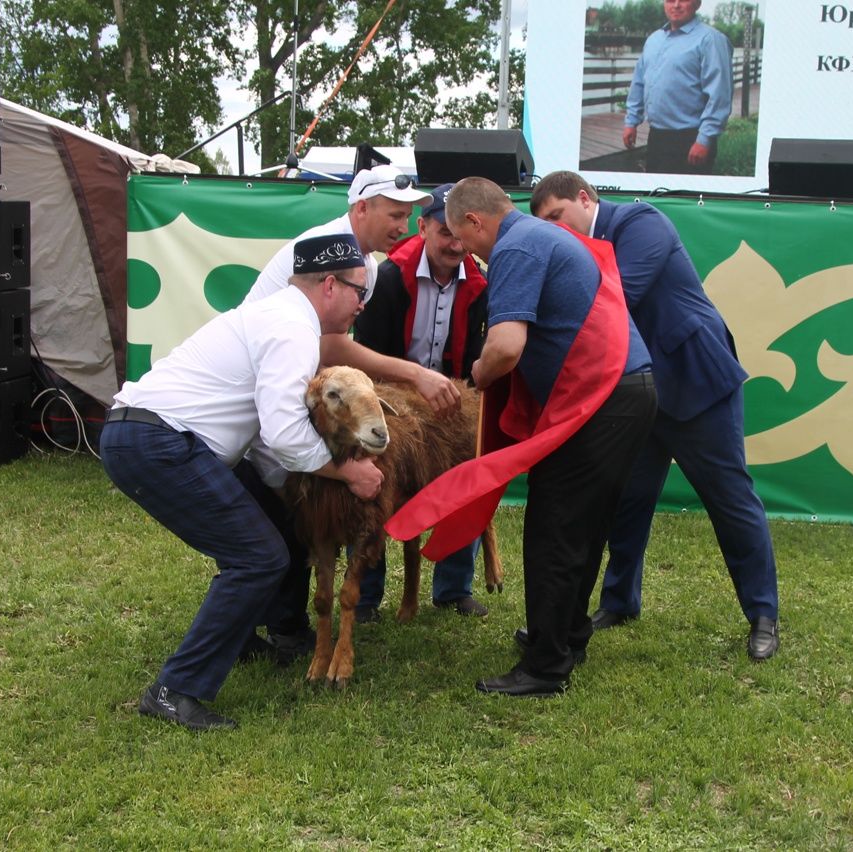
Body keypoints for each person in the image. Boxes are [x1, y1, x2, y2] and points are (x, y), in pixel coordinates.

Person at [101, 235, 385, 730]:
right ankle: (176, 690)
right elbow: (283, 433)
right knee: (259, 556)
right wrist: (348, 472)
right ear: (331, 285)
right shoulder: (292, 329)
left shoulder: (278, 317)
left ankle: (248, 637)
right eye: (361, 291)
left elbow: (263, 444)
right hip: (158, 443)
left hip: (153, 436)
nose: (364, 303)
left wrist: (289, 493)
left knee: (276, 526)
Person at [529, 170, 780, 661]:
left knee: (730, 500)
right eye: (545, 225)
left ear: (584, 198)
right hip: (638, 396)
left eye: (558, 216)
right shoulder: (579, 248)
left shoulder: (642, 221)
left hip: (698, 385)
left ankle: (763, 616)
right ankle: (621, 602)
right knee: (626, 502)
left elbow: (615, 298)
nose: (556, 229)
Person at [444, 177, 657, 697]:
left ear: (476, 221)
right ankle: (562, 635)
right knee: (581, 527)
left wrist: (476, 374)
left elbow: (506, 347)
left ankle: (544, 666)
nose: (463, 251)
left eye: (462, 238)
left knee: (554, 528)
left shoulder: (515, 247)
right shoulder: (542, 236)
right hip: (627, 392)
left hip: (603, 396)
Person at [239, 166, 460, 653]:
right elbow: (332, 345)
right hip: (268, 401)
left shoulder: (367, 264)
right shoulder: (329, 250)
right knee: (287, 516)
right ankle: (276, 626)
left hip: (298, 397)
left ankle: (284, 623)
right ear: (361, 207)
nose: (402, 225)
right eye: (394, 214)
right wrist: (414, 373)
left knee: (298, 515)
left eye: (407, 216)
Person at [350, 183, 491, 621]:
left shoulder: (483, 286)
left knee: (464, 481)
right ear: (423, 226)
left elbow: (474, 364)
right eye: (444, 232)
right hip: (389, 402)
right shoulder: (387, 278)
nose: (453, 244)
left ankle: (453, 588)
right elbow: (369, 355)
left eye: (459, 235)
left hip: (450, 407)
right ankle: (368, 595)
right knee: (371, 487)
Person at [622, 0, 733, 175]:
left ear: (697, 4)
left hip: (690, 139)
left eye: (684, 0)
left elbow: (719, 95)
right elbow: (639, 82)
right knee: (655, 197)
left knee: (686, 200)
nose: (676, 5)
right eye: (671, 0)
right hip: (656, 137)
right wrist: (631, 121)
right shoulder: (653, 40)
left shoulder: (710, 40)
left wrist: (704, 140)